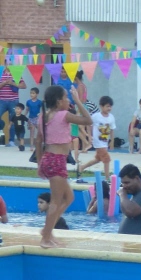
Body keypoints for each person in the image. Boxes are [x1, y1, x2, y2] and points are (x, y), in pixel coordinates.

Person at [35, 85, 92, 248]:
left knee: (69, 197)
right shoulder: (63, 115)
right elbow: (88, 120)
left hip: (48, 159)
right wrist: (79, 101)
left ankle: (48, 229)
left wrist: (40, 164)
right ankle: (45, 238)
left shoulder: (43, 117)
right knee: (56, 201)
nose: (68, 100)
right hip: (57, 161)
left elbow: (38, 141)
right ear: (59, 102)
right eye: (66, 98)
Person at [78, 96, 116, 180]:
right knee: (106, 159)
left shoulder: (111, 117)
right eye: (107, 106)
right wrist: (90, 136)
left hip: (105, 141)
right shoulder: (96, 116)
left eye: (110, 106)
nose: (109, 108)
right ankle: (107, 178)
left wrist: (112, 141)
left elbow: (112, 129)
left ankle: (82, 167)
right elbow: (89, 124)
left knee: (98, 159)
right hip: (97, 141)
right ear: (101, 106)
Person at [0, 66, 27, 147]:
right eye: (7, 62)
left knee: (13, 120)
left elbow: (24, 86)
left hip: (13, 101)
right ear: (5, 63)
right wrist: (4, 83)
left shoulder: (16, 73)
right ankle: (2, 124)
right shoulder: (1, 73)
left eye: (11, 62)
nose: (9, 64)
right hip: (2, 101)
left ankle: (11, 141)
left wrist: (12, 83)